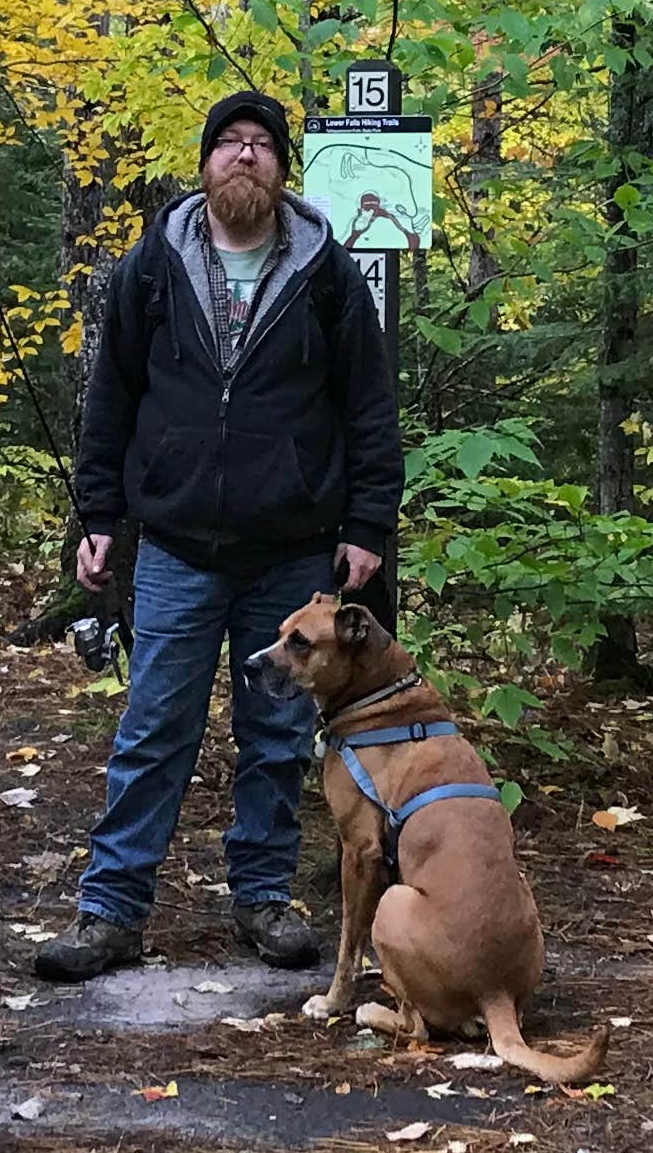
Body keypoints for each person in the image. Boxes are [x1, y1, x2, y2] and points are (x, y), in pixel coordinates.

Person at [40, 87, 402, 983]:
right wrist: (97, 518)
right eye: (228, 143)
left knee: (276, 734)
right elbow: (111, 397)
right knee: (154, 724)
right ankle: (112, 910)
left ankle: (264, 897)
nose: (245, 156)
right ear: (204, 164)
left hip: (293, 548)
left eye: (262, 146)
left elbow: (369, 407)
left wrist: (366, 524)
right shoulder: (152, 267)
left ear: (283, 169)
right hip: (174, 544)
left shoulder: (325, 273)